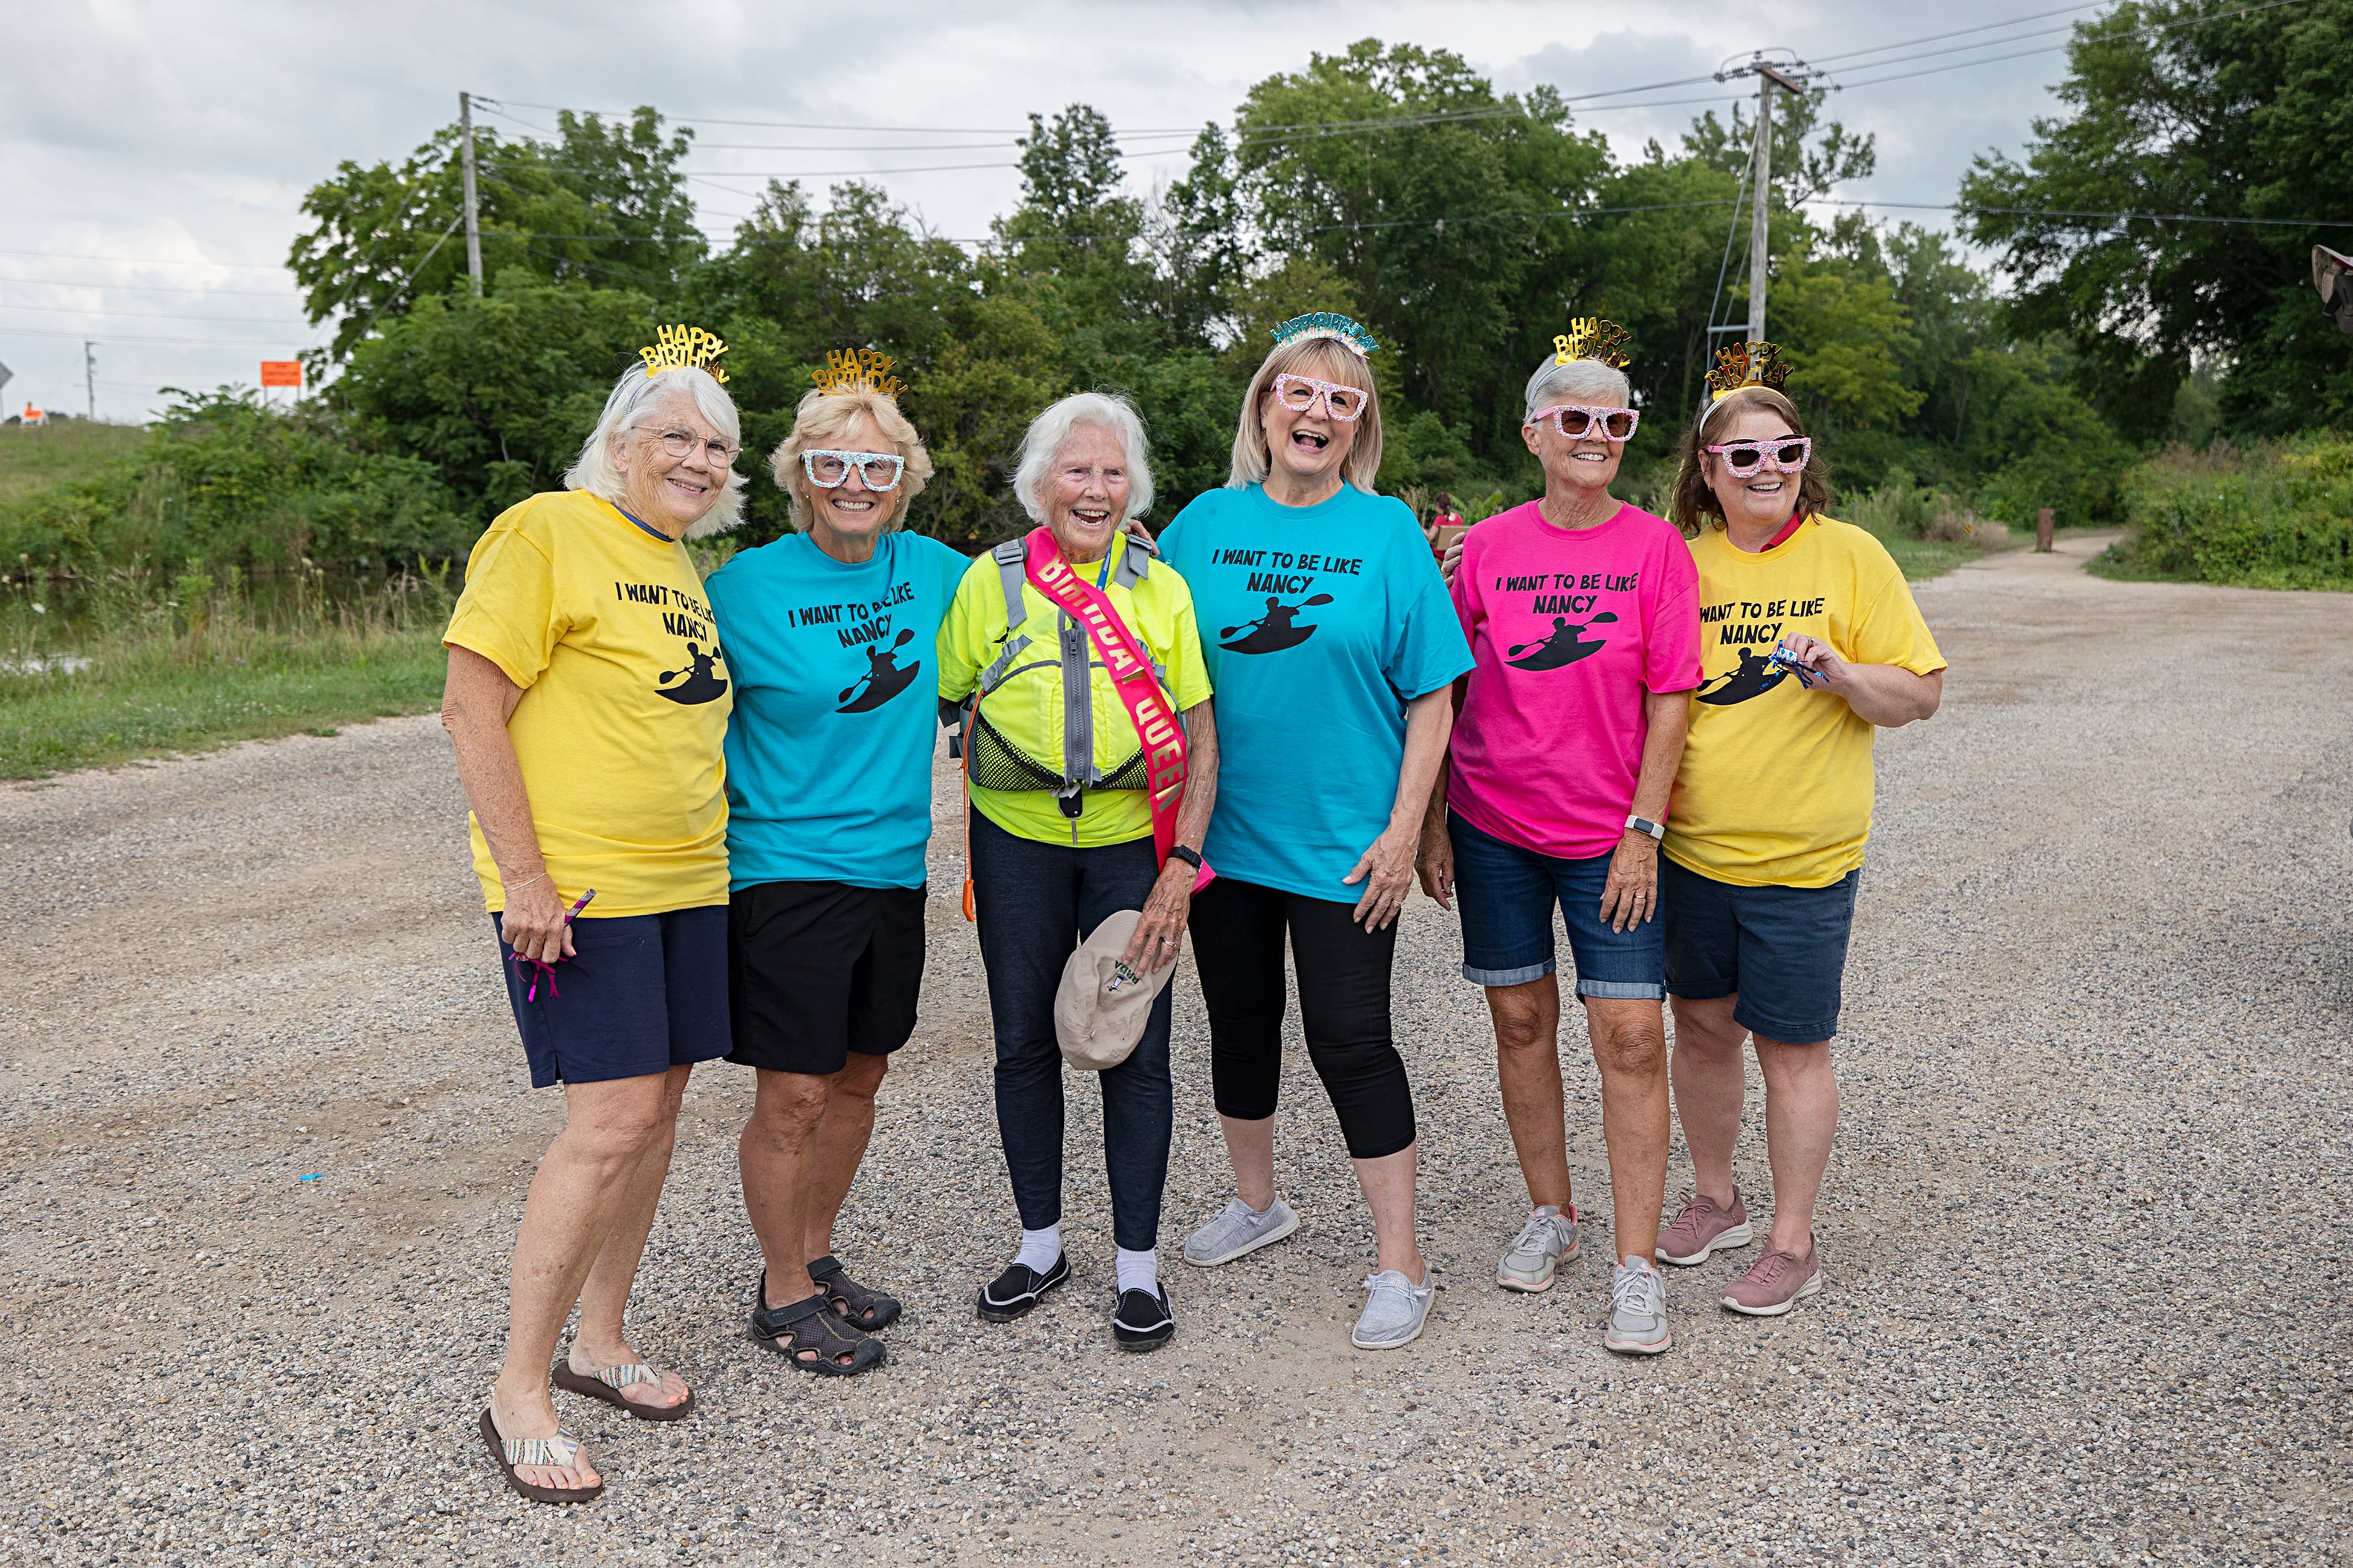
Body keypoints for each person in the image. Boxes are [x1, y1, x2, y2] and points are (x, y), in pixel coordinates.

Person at [441, 334, 746, 1504]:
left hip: (687, 880)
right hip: (580, 889)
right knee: (608, 1123)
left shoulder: (674, 563)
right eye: (678, 435)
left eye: (718, 446)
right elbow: (473, 702)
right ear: (617, 444)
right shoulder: (547, 530)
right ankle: (520, 1387)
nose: (701, 458)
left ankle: (600, 1342)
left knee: (660, 1110)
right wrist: (522, 876)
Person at [1158, 313, 1475, 1352]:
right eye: (1301, 391)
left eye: (1344, 400)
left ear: (1360, 424)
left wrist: (1402, 833)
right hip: (1225, 837)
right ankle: (1261, 1204)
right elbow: (1146, 656)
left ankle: (1401, 1260)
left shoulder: (1384, 536)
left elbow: (1434, 692)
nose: (1320, 413)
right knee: (1239, 1026)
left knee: (1351, 1042)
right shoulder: (1201, 523)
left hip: (1345, 843)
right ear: (1263, 405)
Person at [1417, 320, 1700, 1356]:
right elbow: (1445, 690)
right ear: (1535, 432)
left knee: (1629, 1035)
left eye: (1614, 421)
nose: (1596, 435)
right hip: (1495, 826)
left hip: (1608, 836)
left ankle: (1636, 1266)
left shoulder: (1656, 547)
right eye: (1575, 418)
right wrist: (1438, 820)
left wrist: (1643, 831)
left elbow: (1671, 697)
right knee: (1521, 1021)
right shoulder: (1484, 549)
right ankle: (1555, 1214)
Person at [1656, 343, 1945, 1315]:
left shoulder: (1852, 556)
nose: (1766, 469)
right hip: (1693, 852)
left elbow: (1920, 695)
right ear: (1708, 470)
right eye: (1743, 456)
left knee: (1790, 1048)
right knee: (1698, 1030)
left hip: (1804, 862)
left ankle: (1791, 1240)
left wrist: (1846, 676)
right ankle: (1715, 1198)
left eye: (1785, 450)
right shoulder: (1678, 565)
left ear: (1804, 459)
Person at [703, 351, 967, 1377]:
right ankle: (781, 1297)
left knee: (862, 1075)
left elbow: (1050, 593)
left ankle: (814, 1255)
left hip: (894, 870)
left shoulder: (941, 575)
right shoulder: (745, 588)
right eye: (830, 466)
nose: (854, 486)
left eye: (875, 468)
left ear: (904, 478)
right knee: (796, 1095)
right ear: (796, 475)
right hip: (786, 868)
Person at [937, 391, 1218, 1352]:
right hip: (1014, 845)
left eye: (1112, 473)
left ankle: (1137, 1268)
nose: (1094, 490)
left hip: (1128, 850)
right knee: (1023, 1041)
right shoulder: (991, 581)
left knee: (1131, 1044)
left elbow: (1199, 733)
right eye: (1076, 470)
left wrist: (1182, 858)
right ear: (1040, 485)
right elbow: (942, 704)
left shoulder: (1161, 587)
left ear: (1131, 487)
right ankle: (1040, 1244)